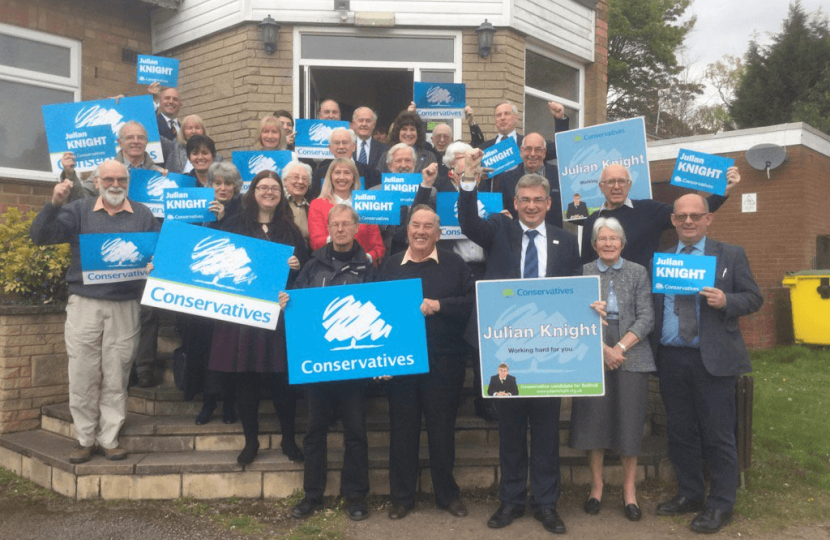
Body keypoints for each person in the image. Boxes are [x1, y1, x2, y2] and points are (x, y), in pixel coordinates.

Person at [457, 152, 582, 535]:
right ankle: (510, 501)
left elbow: (574, 294)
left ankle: (546, 504)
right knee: (510, 430)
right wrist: (468, 183)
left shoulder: (564, 241)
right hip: (504, 352)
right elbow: (468, 223)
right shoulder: (499, 229)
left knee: (545, 432)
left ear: (548, 204)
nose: (531, 205)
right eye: (524, 199)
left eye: (537, 200)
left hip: (548, 353)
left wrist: (587, 308)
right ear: (515, 203)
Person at [29, 159, 159, 463]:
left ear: (129, 183)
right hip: (85, 303)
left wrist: (155, 265)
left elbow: (157, 254)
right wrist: (53, 204)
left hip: (125, 305)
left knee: (117, 374)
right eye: (109, 179)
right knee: (83, 373)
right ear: (97, 182)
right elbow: (40, 237)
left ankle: (109, 439)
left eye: (122, 180)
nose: (116, 185)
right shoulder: (78, 210)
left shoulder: (143, 214)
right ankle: (85, 438)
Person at [651, 194, 762, 534]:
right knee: (682, 432)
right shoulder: (662, 259)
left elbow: (754, 297)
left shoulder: (730, 255)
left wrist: (726, 299)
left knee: (718, 435)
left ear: (708, 219)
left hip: (712, 359)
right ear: (672, 220)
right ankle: (690, 494)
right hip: (671, 358)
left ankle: (721, 504)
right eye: (681, 216)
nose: (688, 221)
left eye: (695, 216)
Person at [380, 204, 474, 520]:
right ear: (407, 229)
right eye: (416, 225)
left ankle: (447, 495)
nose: (421, 232)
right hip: (402, 365)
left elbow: (470, 305)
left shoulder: (455, 264)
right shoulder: (390, 266)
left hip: (444, 362)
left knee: (442, 431)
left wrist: (440, 305)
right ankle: (401, 498)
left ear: (438, 232)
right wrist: (381, 361)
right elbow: (378, 314)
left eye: (428, 227)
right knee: (402, 432)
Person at [207, 170, 307, 465]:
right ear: (253, 192)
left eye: (274, 188)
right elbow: (218, 264)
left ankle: (288, 439)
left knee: (282, 382)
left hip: (278, 318)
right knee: (246, 381)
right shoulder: (235, 225)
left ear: (281, 194)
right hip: (243, 317)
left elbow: (303, 275)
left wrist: (297, 264)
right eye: (263, 187)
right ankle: (251, 441)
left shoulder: (290, 230)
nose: (269, 192)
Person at [289, 204, 376, 523]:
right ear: (328, 228)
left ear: (356, 228)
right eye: (335, 224)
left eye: (346, 224)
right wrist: (288, 302)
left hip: (353, 368)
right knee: (314, 432)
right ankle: (312, 495)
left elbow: (377, 308)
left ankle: (356, 497)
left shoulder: (367, 268)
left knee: (356, 432)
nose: (340, 229)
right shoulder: (313, 265)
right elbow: (296, 304)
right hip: (317, 366)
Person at [568, 217, 655, 522]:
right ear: (593, 245)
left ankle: (629, 491)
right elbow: (576, 317)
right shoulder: (583, 272)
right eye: (602, 239)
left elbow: (646, 317)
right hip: (593, 352)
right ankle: (596, 487)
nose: (607, 243)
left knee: (629, 422)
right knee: (594, 420)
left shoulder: (638, 272)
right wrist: (602, 348)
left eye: (613, 238)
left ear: (622, 243)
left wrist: (618, 349)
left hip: (633, 351)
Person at [580, 164, 741, 269]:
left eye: (622, 181)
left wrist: (723, 192)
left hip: (642, 296)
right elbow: (586, 263)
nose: (616, 186)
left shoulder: (649, 209)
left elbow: (688, 214)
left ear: (629, 185)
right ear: (601, 187)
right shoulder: (592, 220)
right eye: (610, 182)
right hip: (602, 297)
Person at [180, 161, 243, 424]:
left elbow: (239, 244)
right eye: (217, 183)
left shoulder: (243, 210)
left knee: (227, 349)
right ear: (210, 185)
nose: (223, 188)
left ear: (236, 186)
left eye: (228, 183)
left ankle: (229, 402)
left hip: (230, 290)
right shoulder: (197, 207)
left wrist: (221, 222)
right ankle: (208, 401)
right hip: (201, 290)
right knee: (203, 347)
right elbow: (184, 242)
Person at [308, 158, 385, 264]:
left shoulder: (365, 203)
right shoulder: (317, 204)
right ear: (330, 177)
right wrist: (339, 237)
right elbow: (316, 243)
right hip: (329, 267)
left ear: (354, 178)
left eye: (347, 173)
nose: (342, 177)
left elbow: (378, 247)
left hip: (362, 269)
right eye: (337, 172)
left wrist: (366, 258)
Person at [489, 132, 564, 227]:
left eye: (538, 149)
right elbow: (498, 213)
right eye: (528, 149)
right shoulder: (505, 179)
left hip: (553, 238)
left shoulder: (559, 176)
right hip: (516, 238)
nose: (532, 154)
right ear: (521, 151)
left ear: (544, 152)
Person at [465, 101, 568, 161]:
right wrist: (472, 124)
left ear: (516, 118)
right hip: (493, 197)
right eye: (498, 115)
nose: (502, 118)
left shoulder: (529, 144)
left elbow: (559, 148)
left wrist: (560, 119)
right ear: (495, 120)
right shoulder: (485, 147)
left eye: (507, 114)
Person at [307, 127, 381, 200]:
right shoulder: (320, 173)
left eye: (345, 143)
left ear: (354, 147)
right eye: (337, 143)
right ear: (330, 148)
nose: (341, 146)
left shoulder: (370, 172)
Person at [377, 110, 436, 174]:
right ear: (398, 132)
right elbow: (379, 180)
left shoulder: (429, 157)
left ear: (418, 133)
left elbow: (434, 182)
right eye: (404, 129)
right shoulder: (385, 156)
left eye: (412, 129)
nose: (408, 133)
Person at [282, 161, 313, 249]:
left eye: (305, 178)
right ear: (285, 181)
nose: (300, 182)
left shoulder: (310, 207)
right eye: (296, 177)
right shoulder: (277, 203)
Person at [352, 106, 388, 170]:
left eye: (368, 121)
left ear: (373, 125)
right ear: (354, 124)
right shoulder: (346, 147)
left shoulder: (384, 150)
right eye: (361, 120)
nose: (364, 124)